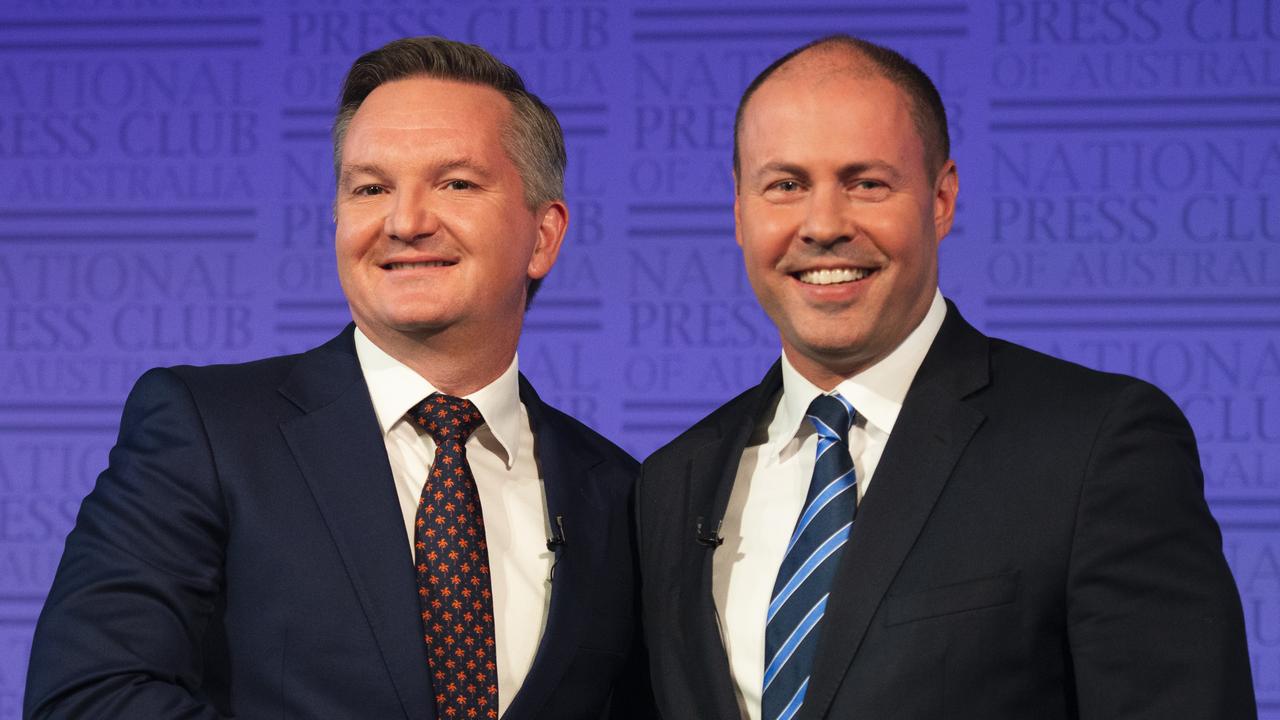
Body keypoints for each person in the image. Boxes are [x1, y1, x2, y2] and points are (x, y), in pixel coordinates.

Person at [26, 37, 650, 720]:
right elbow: (88, 697)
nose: (406, 222)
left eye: (456, 184)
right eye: (371, 188)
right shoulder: (205, 431)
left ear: (543, 236)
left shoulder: (620, 494)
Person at [637, 34, 1255, 720]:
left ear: (941, 198)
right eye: (785, 185)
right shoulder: (672, 483)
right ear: (739, 211)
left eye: (865, 183)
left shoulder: (1097, 447)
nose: (822, 225)